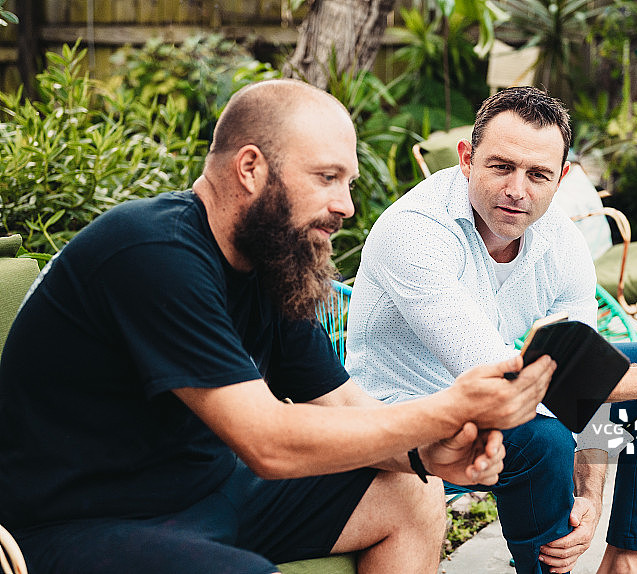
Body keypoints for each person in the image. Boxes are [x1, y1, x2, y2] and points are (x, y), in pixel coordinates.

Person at [0, 80, 557, 574]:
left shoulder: (272, 264)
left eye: (349, 183)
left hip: (204, 492)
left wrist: (424, 454)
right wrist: (450, 408)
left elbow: (339, 407)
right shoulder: (151, 252)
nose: (346, 207)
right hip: (79, 523)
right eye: (327, 178)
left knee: (412, 496)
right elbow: (267, 442)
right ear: (250, 169)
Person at [345, 86, 637, 574]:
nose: (517, 190)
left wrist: (587, 492)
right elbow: (494, 373)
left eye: (538, 174)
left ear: (562, 177)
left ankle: (626, 561)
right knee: (550, 433)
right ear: (467, 159)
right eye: (501, 166)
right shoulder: (415, 232)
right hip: (413, 422)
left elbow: (582, 370)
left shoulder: (559, 241)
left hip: (509, 402)